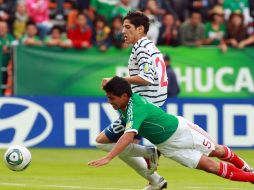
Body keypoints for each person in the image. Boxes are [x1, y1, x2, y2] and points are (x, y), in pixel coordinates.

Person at [88, 76, 254, 186]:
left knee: (216, 151)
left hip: (183, 132)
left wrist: (109, 157)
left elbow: (128, 136)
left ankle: (245, 167)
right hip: (167, 147)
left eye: (111, 98)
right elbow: (120, 86)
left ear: (124, 96)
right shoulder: (126, 100)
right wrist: (110, 81)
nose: (109, 102)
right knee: (211, 167)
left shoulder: (135, 108)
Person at [96, 11, 168, 190]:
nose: (123, 31)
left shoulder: (142, 47)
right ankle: (155, 181)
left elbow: (146, 77)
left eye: (127, 27)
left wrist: (117, 80)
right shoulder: (148, 46)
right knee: (129, 147)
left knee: (101, 142)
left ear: (140, 29)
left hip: (141, 106)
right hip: (152, 104)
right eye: (123, 27)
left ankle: (150, 156)